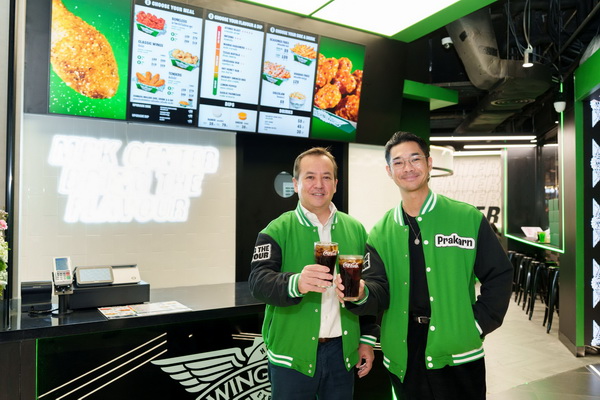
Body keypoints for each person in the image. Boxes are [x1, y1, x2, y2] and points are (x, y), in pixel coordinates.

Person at [339, 132, 513, 400]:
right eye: (398, 162)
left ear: (429, 163)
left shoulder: (467, 218)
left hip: (459, 349)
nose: (407, 168)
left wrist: (477, 324)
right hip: (404, 351)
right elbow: (378, 290)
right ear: (389, 171)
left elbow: (499, 274)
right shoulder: (380, 232)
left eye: (415, 159)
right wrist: (361, 294)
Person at [249, 147, 377, 400]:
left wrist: (368, 338)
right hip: (291, 355)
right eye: (310, 177)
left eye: (326, 177)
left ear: (336, 184)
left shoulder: (356, 229)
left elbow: (371, 287)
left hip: (343, 353)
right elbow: (258, 282)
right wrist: (296, 282)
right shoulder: (276, 229)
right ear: (296, 184)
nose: (319, 184)